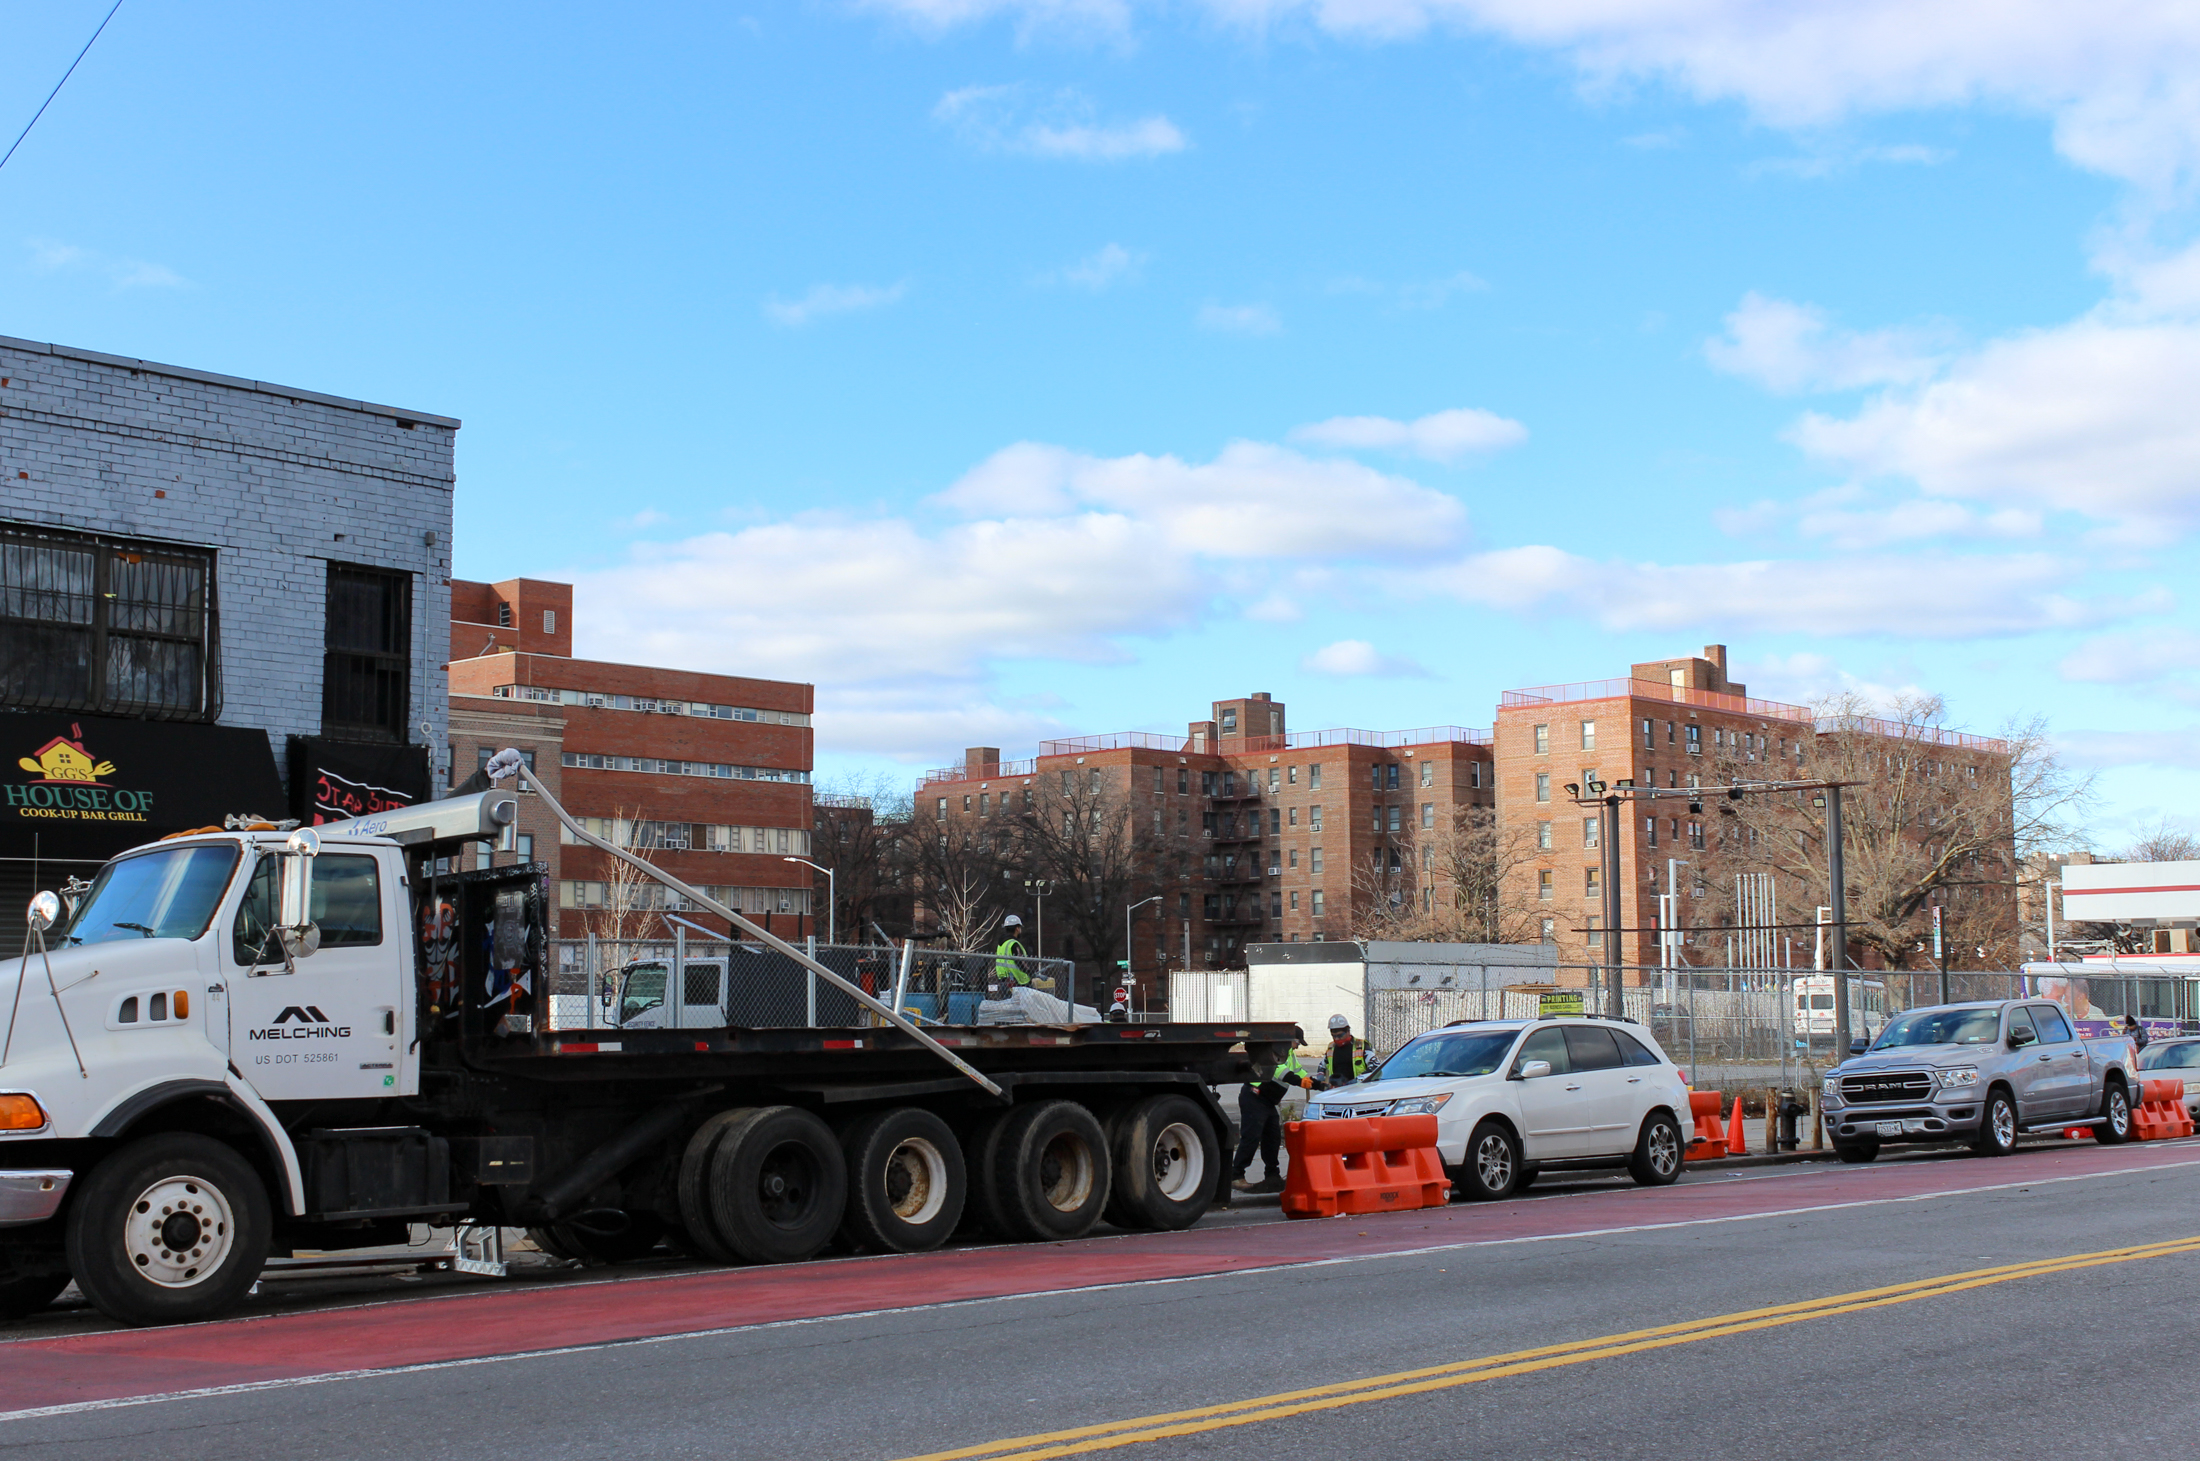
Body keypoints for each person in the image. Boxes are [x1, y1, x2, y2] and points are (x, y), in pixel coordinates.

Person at [1231, 1047, 1319, 1193]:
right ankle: (1236, 1175)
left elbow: (1298, 1072)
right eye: (1297, 1042)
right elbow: (1280, 1071)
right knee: (1252, 1137)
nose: (1298, 1046)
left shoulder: (1290, 1054)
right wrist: (1299, 1081)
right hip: (1254, 1097)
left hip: (1267, 1101)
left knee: (1273, 1137)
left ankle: (1272, 1175)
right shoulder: (1277, 1051)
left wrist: (1316, 1084)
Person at [1321, 1014, 1368, 1086]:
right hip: (1336, 1089)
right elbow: (1322, 1066)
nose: (1336, 1039)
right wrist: (1320, 1077)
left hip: (1358, 1089)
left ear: (1348, 1032)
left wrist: (1358, 1080)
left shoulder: (1361, 1046)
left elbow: (1375, 1068)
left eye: (1340, 1035)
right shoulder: (1331, 1047)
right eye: (1334, 1036)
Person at [993, 916, 1030, 990]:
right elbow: (1020, 962)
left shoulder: (1001, 944)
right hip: (1016, 981)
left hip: (1003, 979)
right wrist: (1030, 972)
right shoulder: (1013, 944)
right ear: (1017, 929)